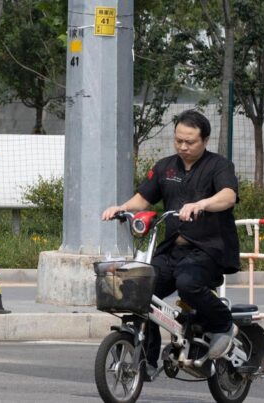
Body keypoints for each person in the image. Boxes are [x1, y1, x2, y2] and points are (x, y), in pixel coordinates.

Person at [101, 109, 240, 377]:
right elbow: (143, 198)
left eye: (190, 142)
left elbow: (228, 195)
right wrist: (122, 208)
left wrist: (202, 204)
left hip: (207, 250)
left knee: (188, 284)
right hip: (172, 250)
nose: (183, 147)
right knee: (139, 290)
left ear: (205, 140)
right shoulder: (165, 167)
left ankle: (223, 324)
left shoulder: (219, 166)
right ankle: (147, 360)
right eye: (178, 140)